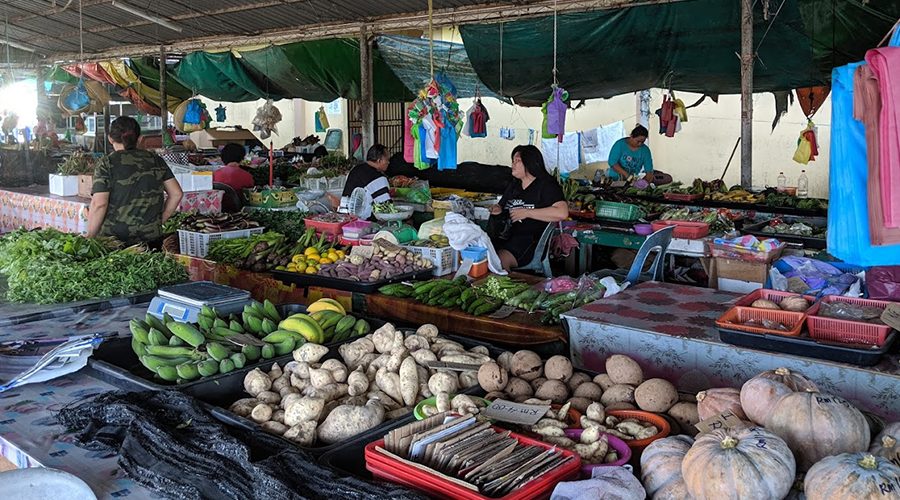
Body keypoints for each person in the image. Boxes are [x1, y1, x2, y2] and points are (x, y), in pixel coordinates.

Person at [86, 116, 183, 248]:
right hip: (151, 237)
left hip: (114, 240)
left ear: (110, 138)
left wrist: (90, 236)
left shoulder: (107, 164)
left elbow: (99, 204)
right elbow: (176, 193)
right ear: (139, 138)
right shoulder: (155, 160)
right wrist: (159, 220)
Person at [490, 145, 569, 271]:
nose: (513, 164)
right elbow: (501, 206)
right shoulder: (514, 186)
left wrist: (527, 213)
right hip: (507, 237)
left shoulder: (546, 185)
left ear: (530, 163)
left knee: (497, 261)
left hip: (529, 243)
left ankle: (505, 287)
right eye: (513, 161)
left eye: (517, 161)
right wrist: (497, 209)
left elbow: (562, 212)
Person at [337, 144, 391, 219]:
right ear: (379, 160)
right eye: (387, 160)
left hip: (344, 218)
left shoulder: (355, 169)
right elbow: (386, 210)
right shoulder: (379, 179)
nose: (388, 162)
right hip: (365, 223)